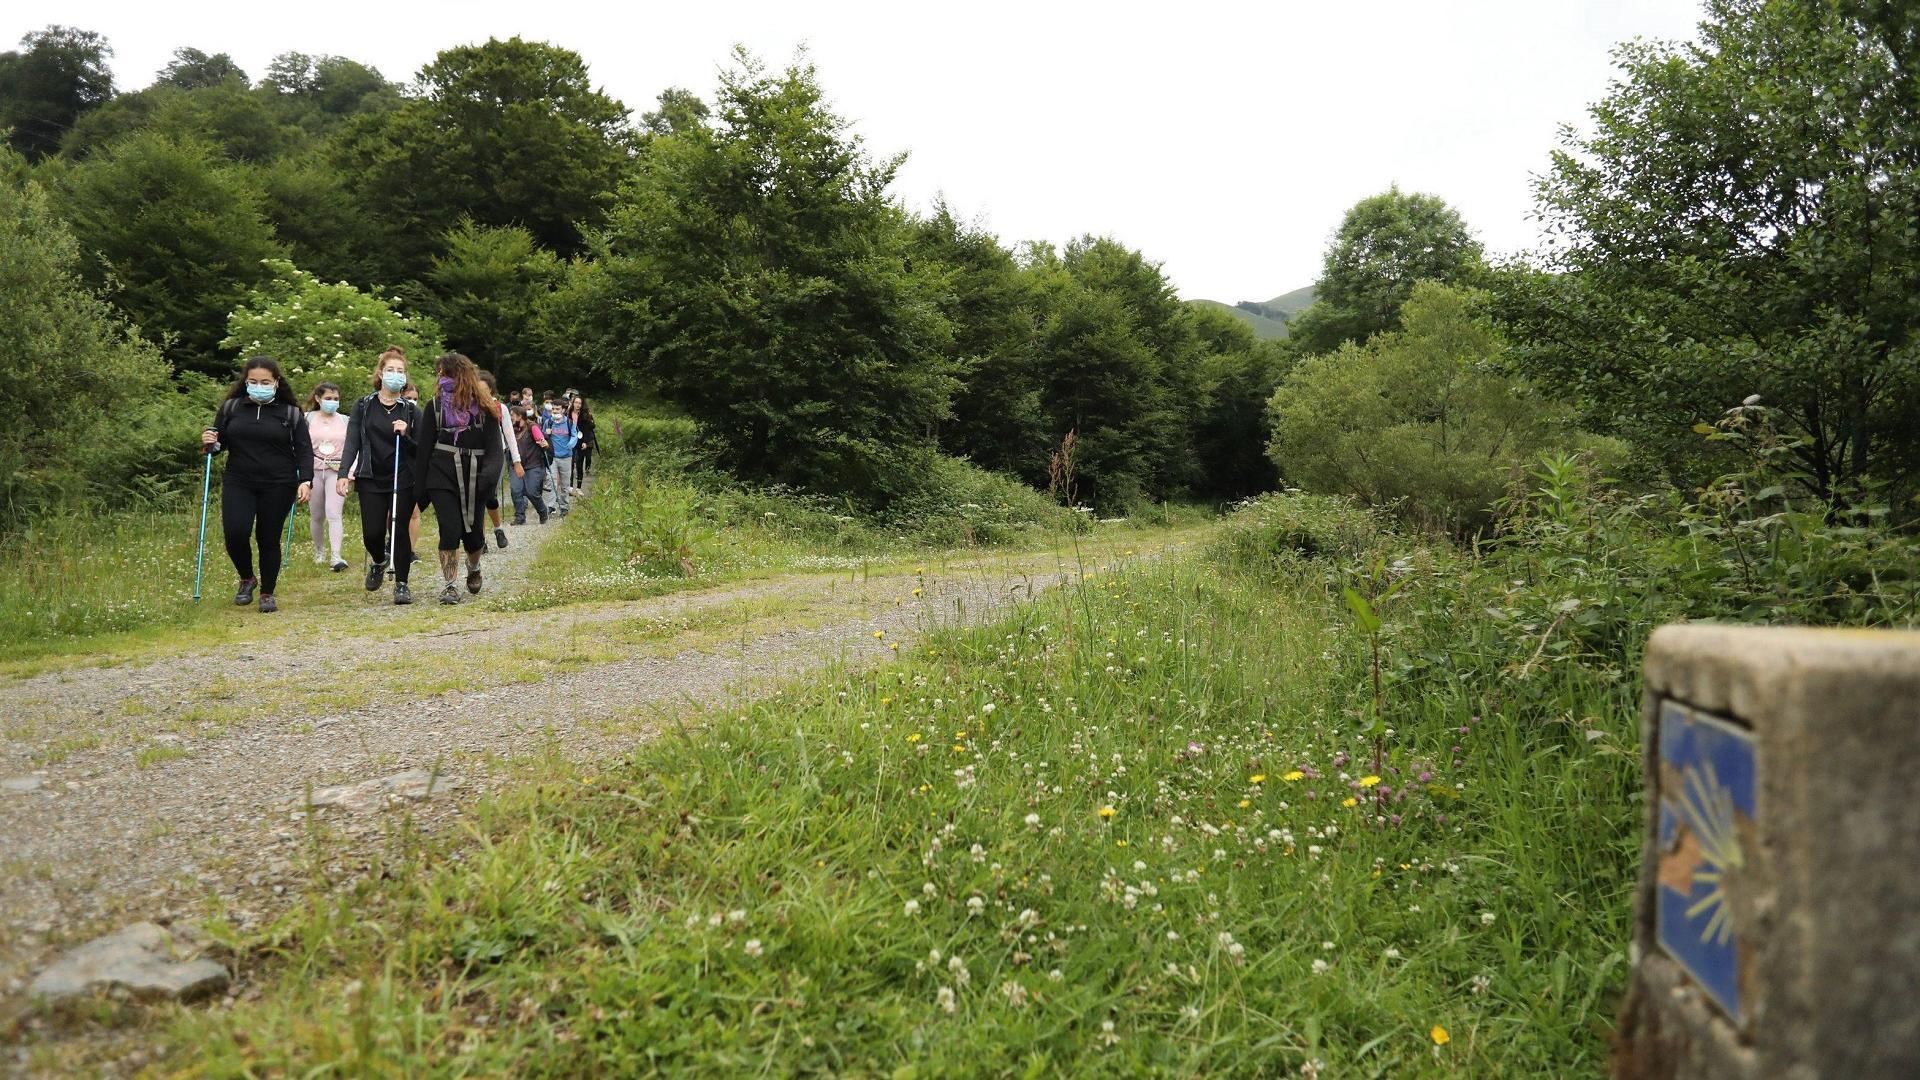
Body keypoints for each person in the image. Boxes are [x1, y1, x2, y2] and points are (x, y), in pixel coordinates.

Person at [201, 357, 312, 613]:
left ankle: (267, 593)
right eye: (253, 382)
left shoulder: (291, 413)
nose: (258, 386)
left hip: (279, 483)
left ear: (276, 383)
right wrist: (210, 442)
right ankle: (247, 578)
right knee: (235, 533)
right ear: (245, 382)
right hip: (239, 480)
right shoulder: (231, 408)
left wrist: (306, 480)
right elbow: (217, 445)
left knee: (268, 538)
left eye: (264, 382)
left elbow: (304, 450)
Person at [415, 353, 506, 604]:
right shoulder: (434, 407)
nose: (441, 378)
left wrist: (488, 477)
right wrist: (420, 488)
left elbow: (495, 449)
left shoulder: (484, 409)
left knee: (474, 535)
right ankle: (450, 585)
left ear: (460, 376)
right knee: (450, 529)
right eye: (440, 374)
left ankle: (474, 567)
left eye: (445, 373)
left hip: (475, 477)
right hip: (441, 475)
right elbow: (423, 450)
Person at [337, 348, 420, 604]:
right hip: (370, 475)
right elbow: (352, 442)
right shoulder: (363, 405)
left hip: (401, 476)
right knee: (372, 533)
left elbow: (421, 448)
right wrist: (343, 473)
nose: (396, 375)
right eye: (390, 370)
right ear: (381, 373)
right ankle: (379, 560)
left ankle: (403, 584)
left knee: (399, 530)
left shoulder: (411, 410)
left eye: (400, 371)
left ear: (405, 377)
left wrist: (406, 434)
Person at [477, 370, 526, 549]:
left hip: (495, 456)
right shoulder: (468, 407)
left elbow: (509, 435)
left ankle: (498, 529)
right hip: (475, 456)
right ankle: (480, 539)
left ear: (491, 390)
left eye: (485, 389)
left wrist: (517, 461)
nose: (481, 393)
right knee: (477, 499)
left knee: (489, 495)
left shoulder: (500, 408)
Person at [305, 381, 350, 571]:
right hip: (314, 470)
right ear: (318, 399)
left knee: (334, 513)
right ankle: (319, 551)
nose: (333, 402)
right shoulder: (307, 418)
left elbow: (351, 447)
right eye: (328, 399)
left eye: (336, 399)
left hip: (336, 470)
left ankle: (336, 556)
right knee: (316, 514)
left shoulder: (345, 420)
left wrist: (349, 473)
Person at [508, 406, 551, 525]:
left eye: (512, 415)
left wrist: (545, 444)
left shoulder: (533, 427)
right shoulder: (511, 428)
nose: (510, 418)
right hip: (516, 464)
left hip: (534, 465)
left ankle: (543, 511)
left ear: (519, 416)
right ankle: (520, 517)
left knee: (531, 491)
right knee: (516, 490)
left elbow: (544, 441)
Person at [544, 395, 582, 516]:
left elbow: (575, 436)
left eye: (557, 409)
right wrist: (546, 434)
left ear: (563, 410)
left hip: (566, 457)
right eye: (553, 409)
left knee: (565, 485)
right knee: (552, 482)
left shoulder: (570, 423)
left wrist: (570, 444)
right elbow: (542, 437)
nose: (555, 411)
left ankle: (564, 507)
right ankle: (550, 506)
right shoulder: (548, 422)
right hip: (552, 457)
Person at [570, 394, 596, 493]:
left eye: (579, 403)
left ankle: (579, 487)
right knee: (571, 464)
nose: (577, 405)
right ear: (573, 403)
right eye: (576, 402)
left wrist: (585, 441)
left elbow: (587, 430)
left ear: (582, 404)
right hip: (570, 441)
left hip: (581, 441)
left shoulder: (584, 415)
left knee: (579, 464)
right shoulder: (568, 413)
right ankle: (570, 486)